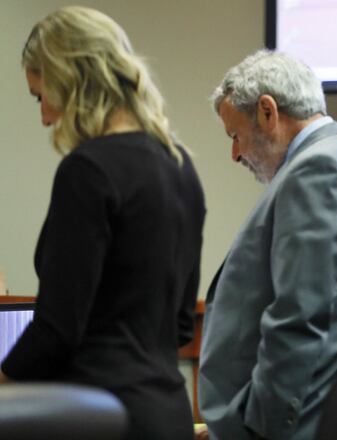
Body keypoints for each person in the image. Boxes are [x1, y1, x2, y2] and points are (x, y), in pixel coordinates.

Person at [0, 6, 205, 440]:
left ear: (70, 79)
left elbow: (56, 330)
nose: (45, 118)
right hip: (167, 414)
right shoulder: (181, 165)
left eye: (42, 97)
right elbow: (183, 323)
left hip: (98, 418)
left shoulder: (87, 170)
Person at [198, 50, 337, 440]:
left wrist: (260, 424)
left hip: (306, 422)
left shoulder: (317, 169)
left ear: (268, 112)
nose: (235, 154)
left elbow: (299, 316)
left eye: (235, 135)